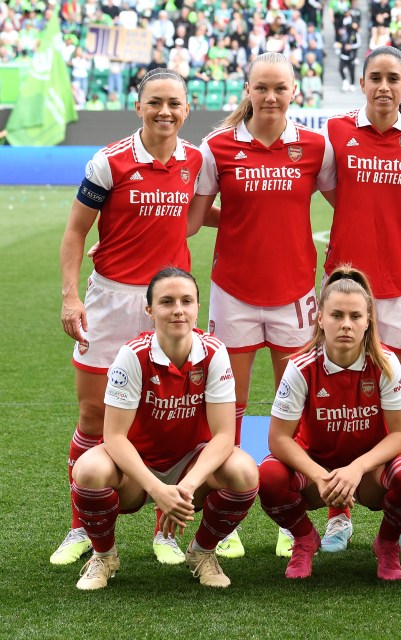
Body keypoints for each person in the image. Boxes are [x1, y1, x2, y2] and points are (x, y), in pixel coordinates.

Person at [54, 68, 204, 567]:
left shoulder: (195, 160)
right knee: (94, 416)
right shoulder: (108, 162)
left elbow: (196, 214)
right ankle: (81, 525)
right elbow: (76, 232)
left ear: (188, 107)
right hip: (110, 302)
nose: (165, 112)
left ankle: (167, 530)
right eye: (155, 102)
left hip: (170, 308)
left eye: (175, 103)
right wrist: (71, 297)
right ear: (138, 106)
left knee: (174, 423)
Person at [190, 51, 328, 559]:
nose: (270, 97)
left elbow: (354, 204)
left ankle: (290, 518)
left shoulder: (315, 146)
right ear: (246, 89)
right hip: (234, 293)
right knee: (227, 410)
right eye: (261, 88)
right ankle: (222, 520)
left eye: (280, 88)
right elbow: (192, 216)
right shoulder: (218, 146)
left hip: (295, 293)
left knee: (298, 412)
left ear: (295, 92)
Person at [316, 45, 401, 555]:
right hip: (348, 288)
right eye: (375, 78)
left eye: (393, 78)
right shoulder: (337, 132)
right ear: (361, 84)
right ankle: (338, 514)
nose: (384, 86)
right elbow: (329, 188)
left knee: (400, 404)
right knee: (340, 404)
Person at [70, 268, 259, 590]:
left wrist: (186, 488)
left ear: (198, 307)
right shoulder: (132, 355)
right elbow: (114, 436)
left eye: (186, 301)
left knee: (245, 471)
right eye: (167, 302)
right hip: (136, 469)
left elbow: (225, 435)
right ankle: (104, 556)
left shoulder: (214, 352)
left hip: (189, 465)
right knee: (88, 470)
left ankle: (202, 552)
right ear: (150, 311)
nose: (178, 310)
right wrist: (158, 491)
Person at [258, 267, 401, 581]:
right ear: (320, 318)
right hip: (317, 472)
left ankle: (387, 543)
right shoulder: (301, 366)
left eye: (355, 316)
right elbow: (278, 439)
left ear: (368, 321)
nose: (346, 325)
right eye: (337, 315)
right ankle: (305, 539)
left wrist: (356, 469)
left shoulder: (386, 364)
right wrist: (321, 477)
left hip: (371, 473)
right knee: (269, 476)